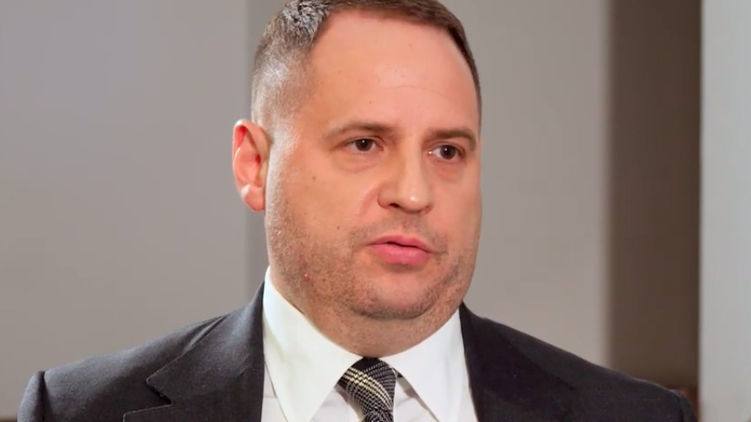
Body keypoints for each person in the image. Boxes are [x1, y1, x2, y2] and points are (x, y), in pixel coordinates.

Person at [19, 0, 696, 421]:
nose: (414, 193)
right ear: (254, 165)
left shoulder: (634, 417)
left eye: (447, 151)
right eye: (365, 144)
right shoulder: (83, 412)